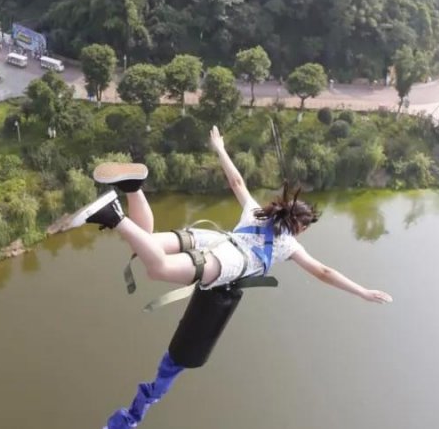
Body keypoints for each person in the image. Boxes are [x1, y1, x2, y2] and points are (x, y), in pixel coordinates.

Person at [67, 127, 393, 303]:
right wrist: (362, 292)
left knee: (144, 245)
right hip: (227, 261)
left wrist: (220, 148)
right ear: (299, 228)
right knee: (157, 269)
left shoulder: (258, 213)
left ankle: (132, 187)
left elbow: (236, 182)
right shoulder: (289, 246)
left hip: (217, 238)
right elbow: (324, 272)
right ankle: (114, 216)